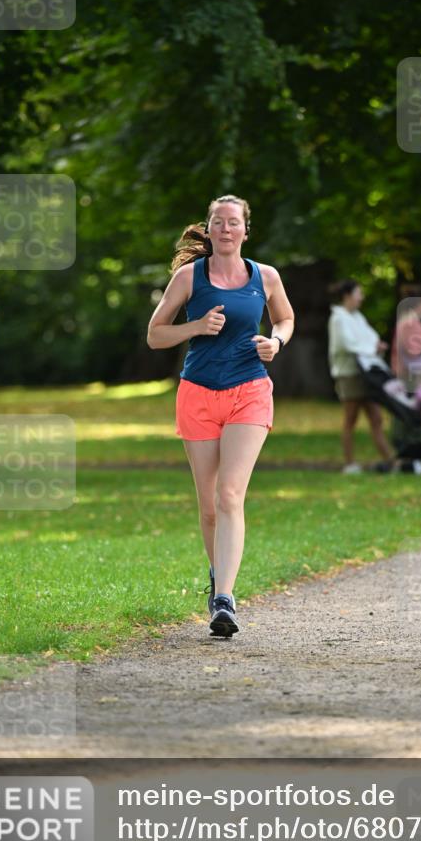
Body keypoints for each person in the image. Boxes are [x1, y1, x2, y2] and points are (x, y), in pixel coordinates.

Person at [147, 194, 295, 637]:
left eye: (234, 223)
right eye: (218, 222)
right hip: (198, 394)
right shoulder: (189, 277)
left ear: (246, 231)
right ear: (208, 230)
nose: (226, 229)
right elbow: (155, 335)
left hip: (249, 391)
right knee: (209, 506)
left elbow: (285, 319)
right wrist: (195, 327)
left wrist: (276, 342)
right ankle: (218, 579)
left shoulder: (265, 276)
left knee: (230, 495)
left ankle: (224, 600)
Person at [328, 279, 395, 474]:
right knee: (351, 419)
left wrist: (377, 346)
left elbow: (370, 338)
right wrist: (372, 348)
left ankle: (390, 460)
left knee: (376, 418)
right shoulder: (338, 318)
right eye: (359, 293)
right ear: (348, 296)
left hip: (366, 374)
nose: (362, 298)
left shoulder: (357, 317)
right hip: (349, 375)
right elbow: (347, 345)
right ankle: (350, 463)